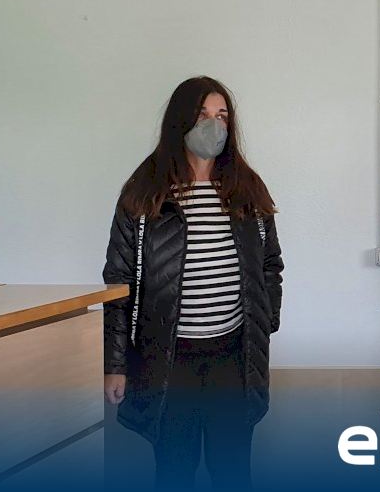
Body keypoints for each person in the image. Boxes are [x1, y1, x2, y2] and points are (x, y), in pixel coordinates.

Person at [102, 76, 284, 490]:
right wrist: (115, 364)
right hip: (169, 359)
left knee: (232, 472)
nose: (214, 125)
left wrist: (266, 322)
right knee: (174, 472)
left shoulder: (247, 189)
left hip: (234, 356)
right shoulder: (145, 192)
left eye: (222, 116)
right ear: (180, 121)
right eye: (203, 115)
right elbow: (118, 282)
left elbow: (270, 265)